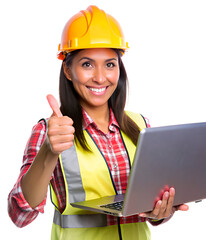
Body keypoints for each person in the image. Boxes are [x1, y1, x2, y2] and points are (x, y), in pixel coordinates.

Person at [8, 5, 189, 240]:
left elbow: (150, 210)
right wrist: (48, 152)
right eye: (87, 64)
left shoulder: (141, 125)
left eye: (110, 64)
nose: (100, 77)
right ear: (68, 70)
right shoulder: (50, 131)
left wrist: (161, 211)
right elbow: (19, 215)